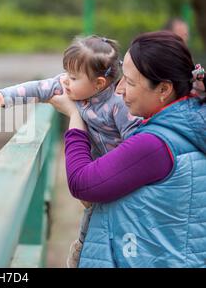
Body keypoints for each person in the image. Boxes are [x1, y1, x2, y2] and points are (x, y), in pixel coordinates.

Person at [0, 35, 141, 267]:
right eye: (65, 72)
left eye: (73, 77)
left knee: (116, 220)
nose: (64, 81)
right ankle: (83, 250)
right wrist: (4, 96)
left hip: (118, 173)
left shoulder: (118, 105)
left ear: (98, 84)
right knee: (91, 215)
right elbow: (38, 88)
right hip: (96, 174)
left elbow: (134, 145)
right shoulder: (69, 86)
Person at [49, 31, 206, 267]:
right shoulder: (191, 122)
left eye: (130, 82)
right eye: (122, 78)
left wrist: (74, 116)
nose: (119, 89)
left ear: (164, 90)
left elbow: (82, 183)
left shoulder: (154, 144)